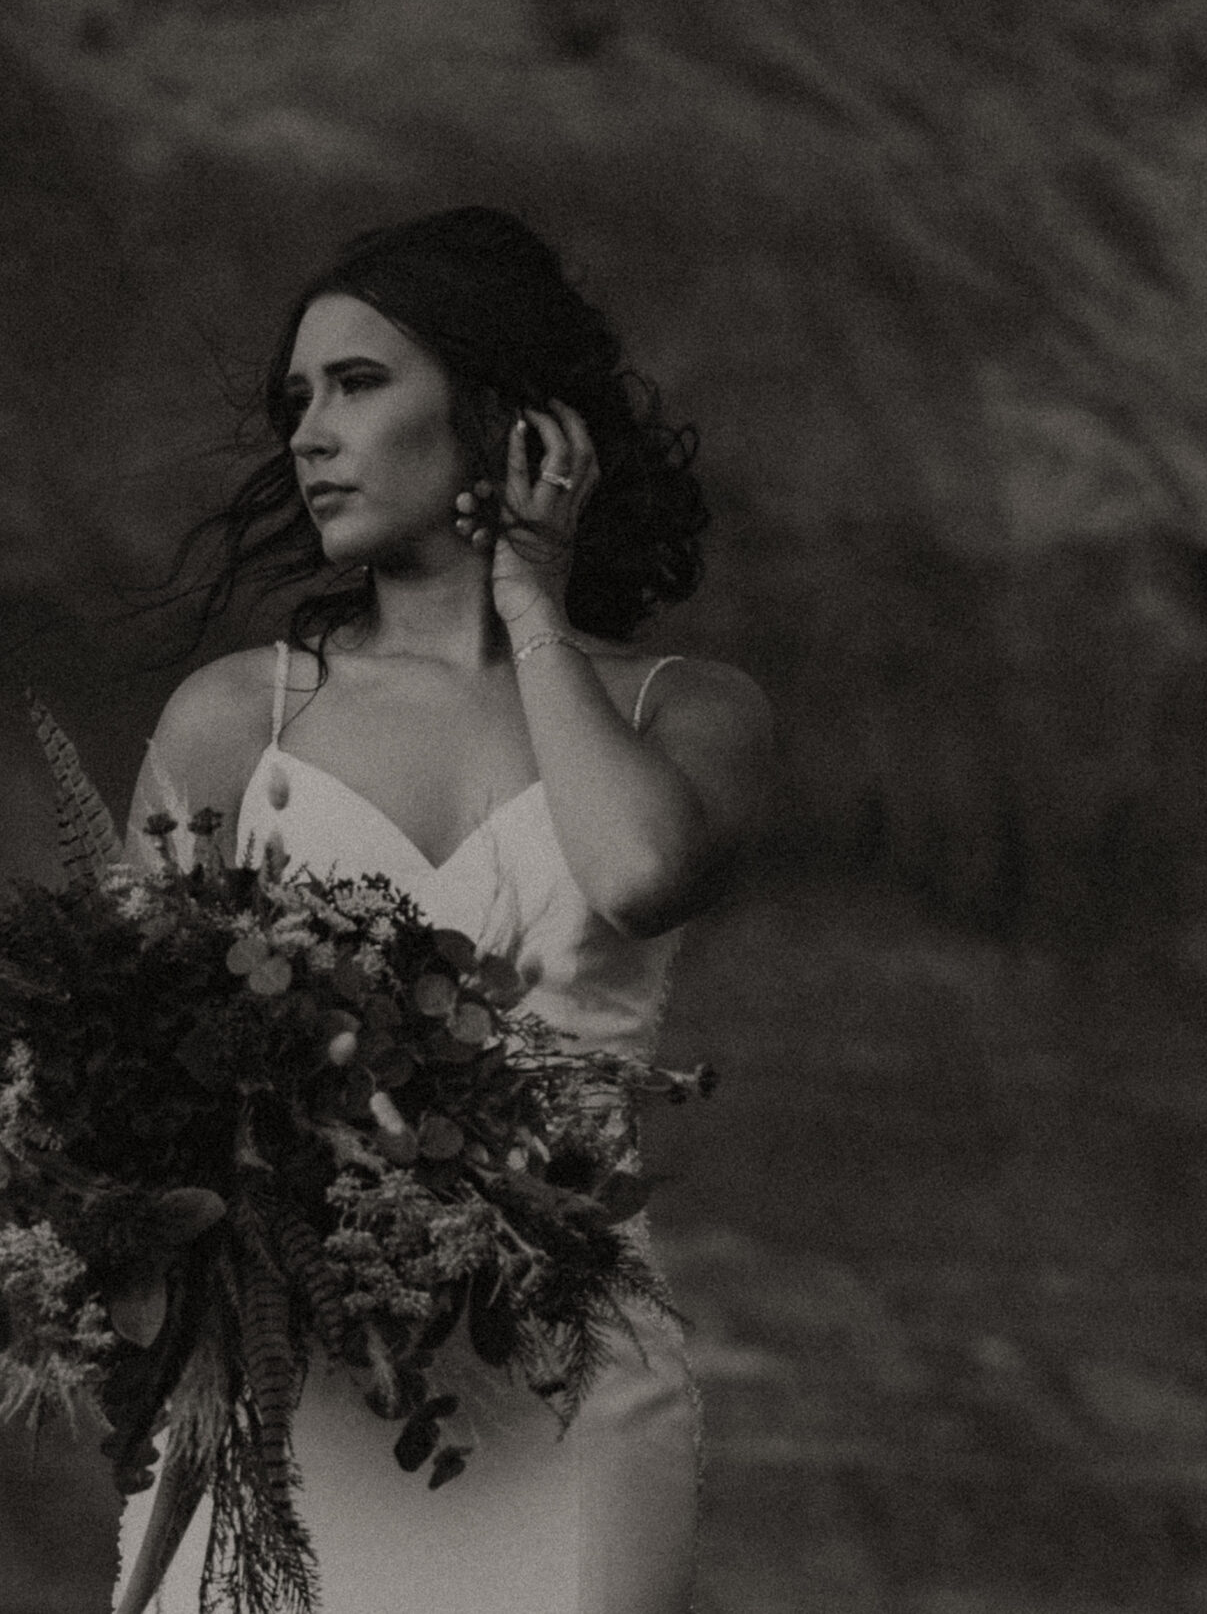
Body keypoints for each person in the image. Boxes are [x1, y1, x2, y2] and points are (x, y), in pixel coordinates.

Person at [117, 206, 772, 1614]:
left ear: (504, 417)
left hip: (567, 1373)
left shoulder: (692, 712)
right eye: (298, 400)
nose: (309, 434)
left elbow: (639, 874)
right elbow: (118, 1071)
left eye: (359, 385)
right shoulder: (240, 717)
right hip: (288, 1386)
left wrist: (532, 605)